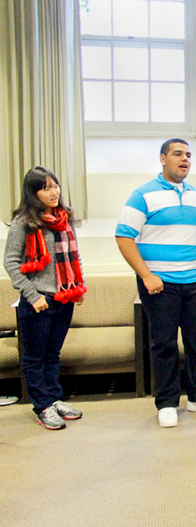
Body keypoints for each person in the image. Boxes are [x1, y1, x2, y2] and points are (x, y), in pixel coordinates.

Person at [116, 138, 196, 428]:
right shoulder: (143, 195)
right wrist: (146, 275)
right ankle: (166, 403)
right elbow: (124, 236)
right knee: (164, 345)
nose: (185, 159)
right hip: (159, 284)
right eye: (178, 154)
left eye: (189, 155)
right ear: (163, 159)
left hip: (195, 283)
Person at [4, 167, 87, 430]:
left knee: (53, 353)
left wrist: (78, 286)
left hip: (64, 296)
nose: (53, 192)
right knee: (34, 357)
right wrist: (33, 295)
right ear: (33, 192)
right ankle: (42, 406)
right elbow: (11, 263)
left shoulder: (64, 218)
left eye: (55, 186)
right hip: (37, 301)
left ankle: (54, 398)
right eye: (45, 188)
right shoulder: (23, 223)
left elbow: (75, 256)